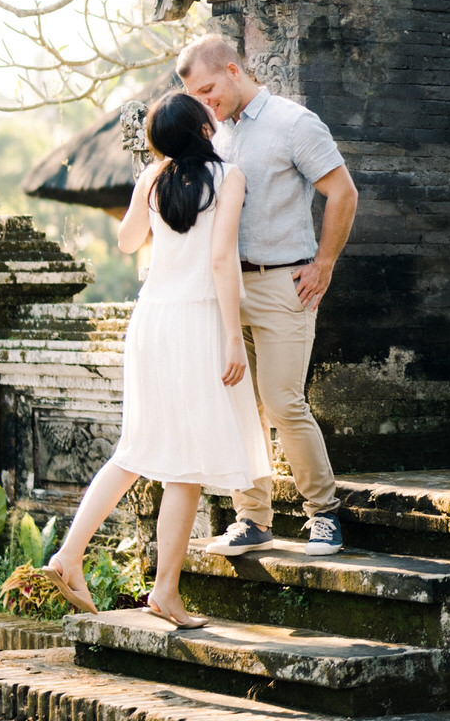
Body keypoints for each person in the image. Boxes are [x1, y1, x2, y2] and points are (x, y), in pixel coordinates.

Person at [42, 90, 270, 626]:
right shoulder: (229, 177)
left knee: (139, 449)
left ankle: (70, 554)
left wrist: (149, 177)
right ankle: (164, 590)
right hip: (195, 320)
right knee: (183, 463)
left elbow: (126, 242)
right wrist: (233, 337)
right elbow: (220, 260)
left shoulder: (154, 178)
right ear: (204, 128)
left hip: (152, 320)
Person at [177, 34, 358, 557]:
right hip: (227, 289)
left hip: (284, 283)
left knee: (282, 402)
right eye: (197, 97)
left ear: (234, 70)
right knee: (238, 408)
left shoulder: (293, 123)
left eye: (210, 89)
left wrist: (324, 262)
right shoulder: (215, 136)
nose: (205, 103)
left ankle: (323, 513)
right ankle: (252, 518)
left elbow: (343, 192)